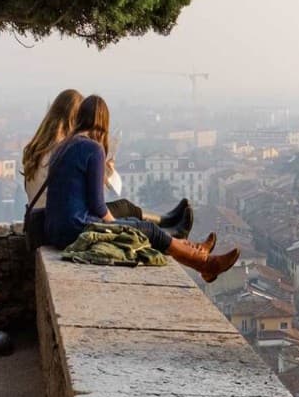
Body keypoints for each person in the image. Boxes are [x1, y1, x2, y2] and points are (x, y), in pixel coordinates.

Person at [44, 96, 239, 282]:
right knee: (146, 229)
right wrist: (120, 227)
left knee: (134, 222)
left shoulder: (63, 146)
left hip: (56, 229)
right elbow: (97, 205)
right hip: (74, 230)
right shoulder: (92, 148)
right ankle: (205, 264)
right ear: (103, 121)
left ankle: (197, 252)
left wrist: (125, 223)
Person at [22, 89, 192, 237]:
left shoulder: (35, 148)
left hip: (45, 218)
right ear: (74, 117)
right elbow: (92, 198)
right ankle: (168, 226)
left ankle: (167, 221)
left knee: (125, 208)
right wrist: (103, 171)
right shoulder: (64, 148)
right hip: (57, 219)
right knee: (125, 212)